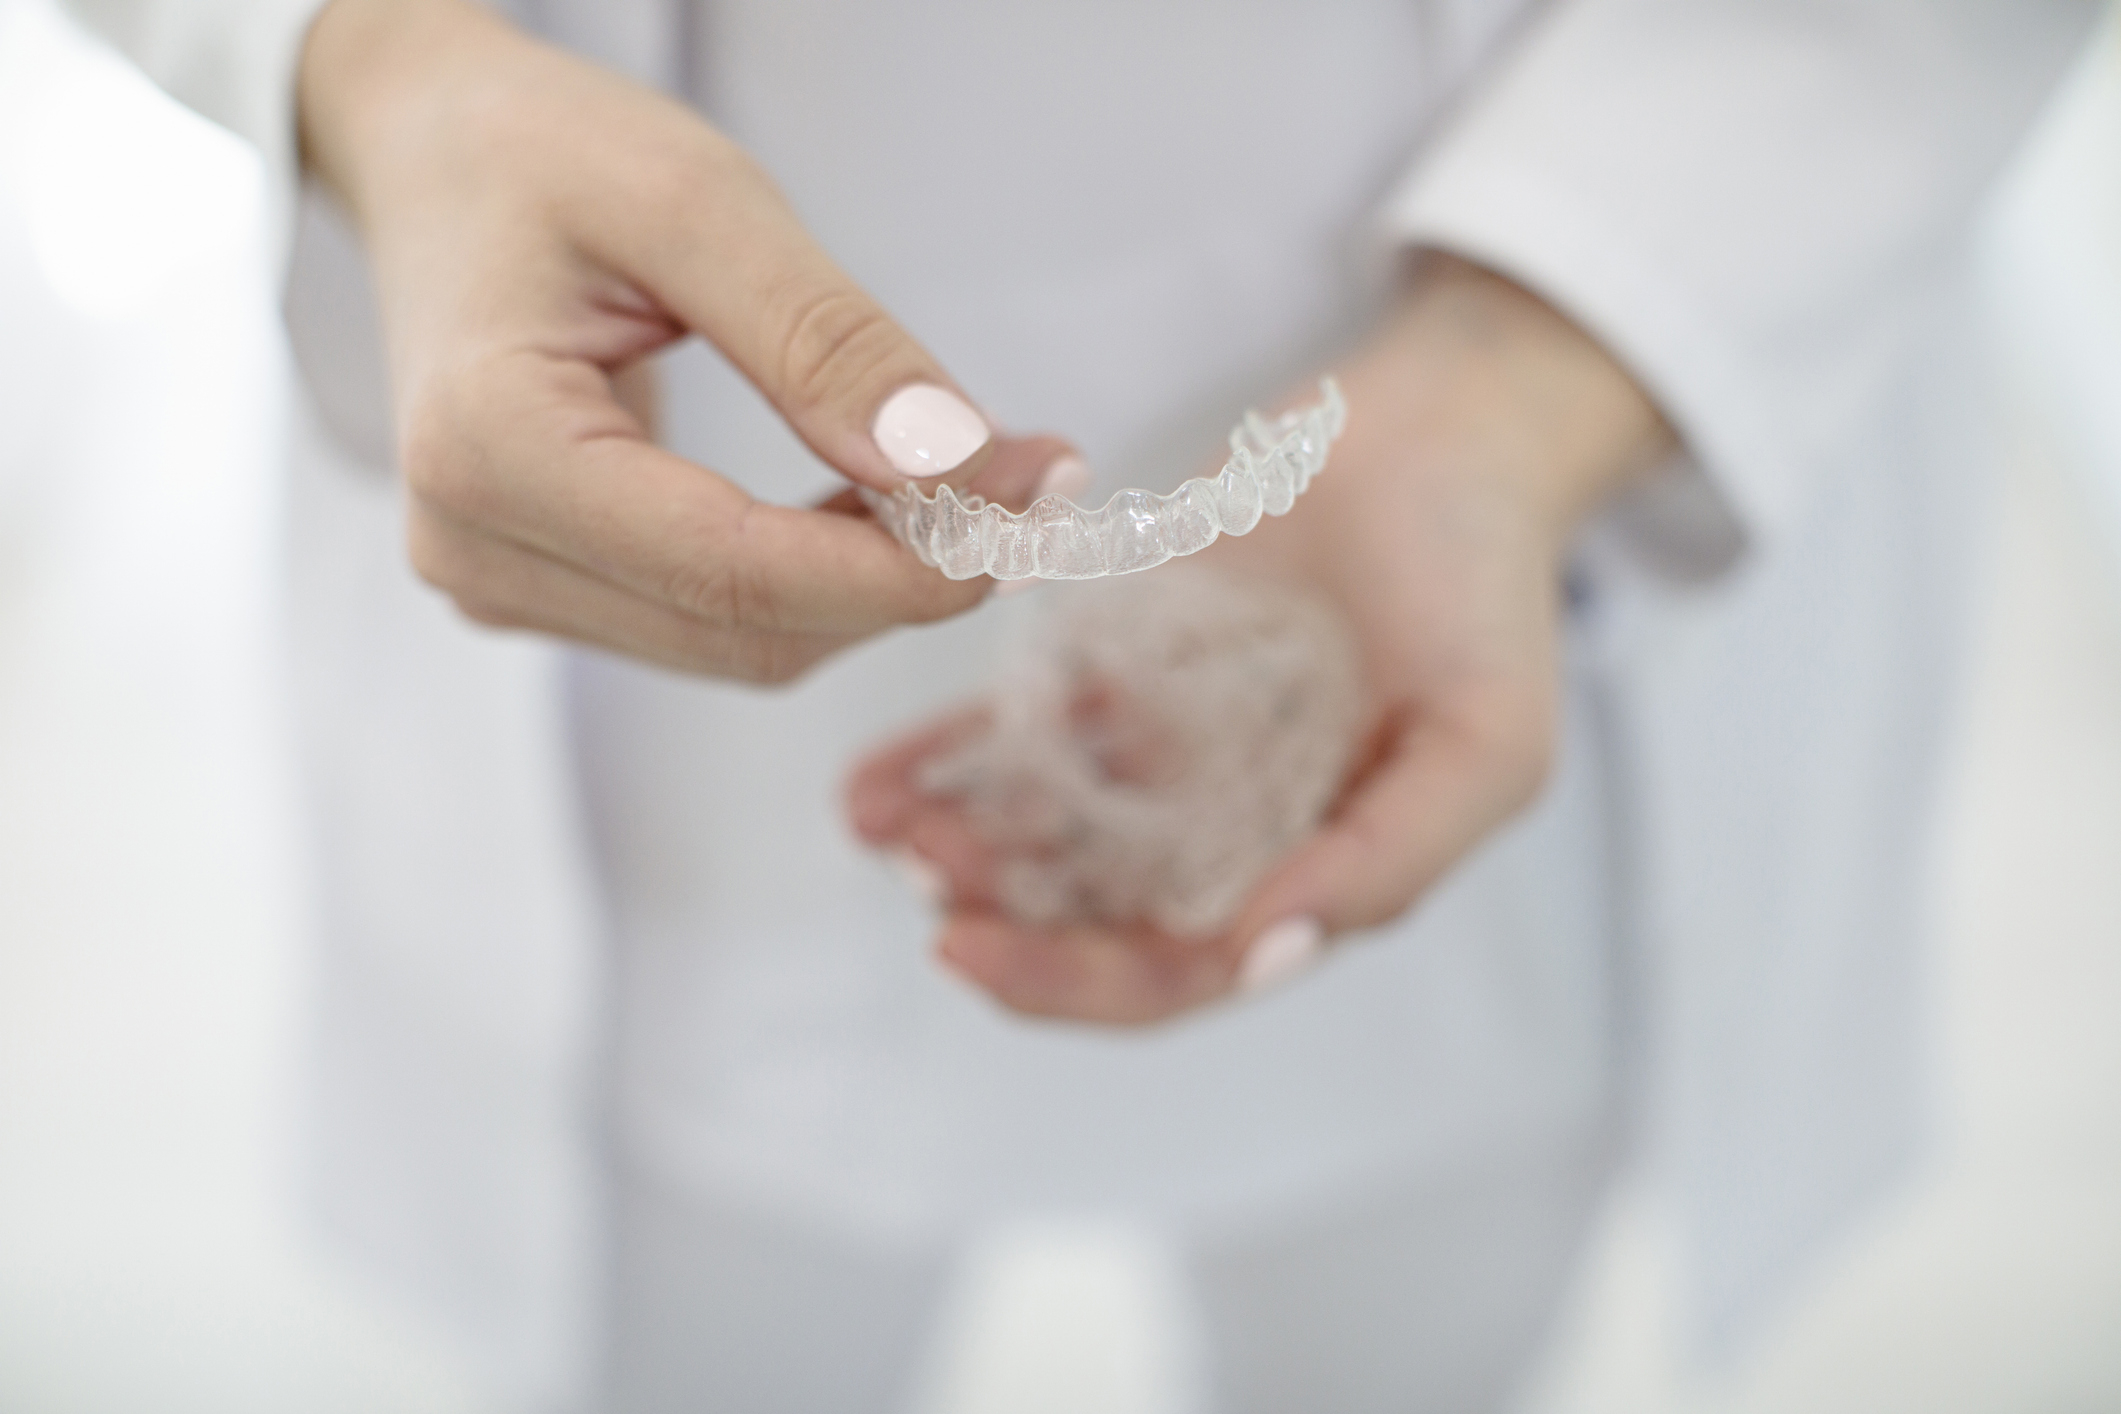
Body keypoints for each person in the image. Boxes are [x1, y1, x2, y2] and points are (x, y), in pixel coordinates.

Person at [59, 0, 2096, 1409]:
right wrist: (374, 60)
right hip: (615, 508)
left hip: (1500, 487)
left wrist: (1550, 351)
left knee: (1409, 1299)